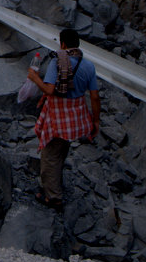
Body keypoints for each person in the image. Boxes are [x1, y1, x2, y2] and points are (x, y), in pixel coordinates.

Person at [27, 28, 101, 209]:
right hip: (76, 117)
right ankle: (55, 185)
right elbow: (94, 97)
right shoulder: (88, 66)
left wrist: (34, 77)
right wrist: (96, 120)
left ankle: (53, 197)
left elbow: (50, 90)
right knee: (61, 152)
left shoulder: (56, 63)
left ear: (63, 44)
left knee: (50, 155)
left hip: (57, 115)